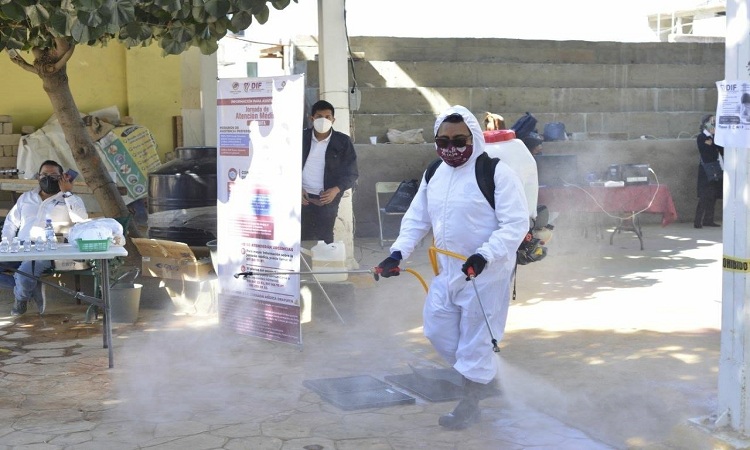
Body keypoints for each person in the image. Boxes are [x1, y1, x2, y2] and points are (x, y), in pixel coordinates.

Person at [376, 106, 529, 430]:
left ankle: (470, 403)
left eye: (459, 140)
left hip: (487, 274)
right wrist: (397, 254)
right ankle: (483, 375)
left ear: (473, 138)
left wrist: (484, 255)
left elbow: (515, 224)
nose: (451, 147)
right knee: (437, 328)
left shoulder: (496, 172)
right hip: (447, 271)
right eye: (443, 141)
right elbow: (417, 218)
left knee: (476, 339)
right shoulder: (435, 172)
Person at [1, 160, 88, 315]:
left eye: (53, 175)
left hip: (48, 249)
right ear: (38, 177)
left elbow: (81, 219)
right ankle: (32, 285)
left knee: (26, 272)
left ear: (63, 177)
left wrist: (67, 193)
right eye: (44, 175)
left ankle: (21, 298)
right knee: (24, 275)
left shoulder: (69, 199)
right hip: (21, 247)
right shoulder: (26, 197)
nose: (48, 178)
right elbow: (11, 223)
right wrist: (5, 245)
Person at [301, 100, 358, 244]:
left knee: (324, 238)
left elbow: (352, 173)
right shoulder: (301, 138)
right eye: (319, 116)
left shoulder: (343, 142)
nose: (323, 120)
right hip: (302, 197)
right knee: (302, 237)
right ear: (312, 118)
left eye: (327, 117)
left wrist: (336, 190)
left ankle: (324, 259)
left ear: (333, 120)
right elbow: (286, 165)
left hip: (327, 198)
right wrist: (296, 188)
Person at [694, 114, 723, 228]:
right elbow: (707, 152)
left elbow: (721, 150)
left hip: (716, 167)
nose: (713, 123)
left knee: (713, 195)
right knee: (704, 196)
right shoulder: (702, 137)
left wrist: (714, 138)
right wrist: (713, 142)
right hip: (706, 170)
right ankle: (697, 221)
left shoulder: (714, 137)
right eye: (711, 121)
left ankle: (708, 220)